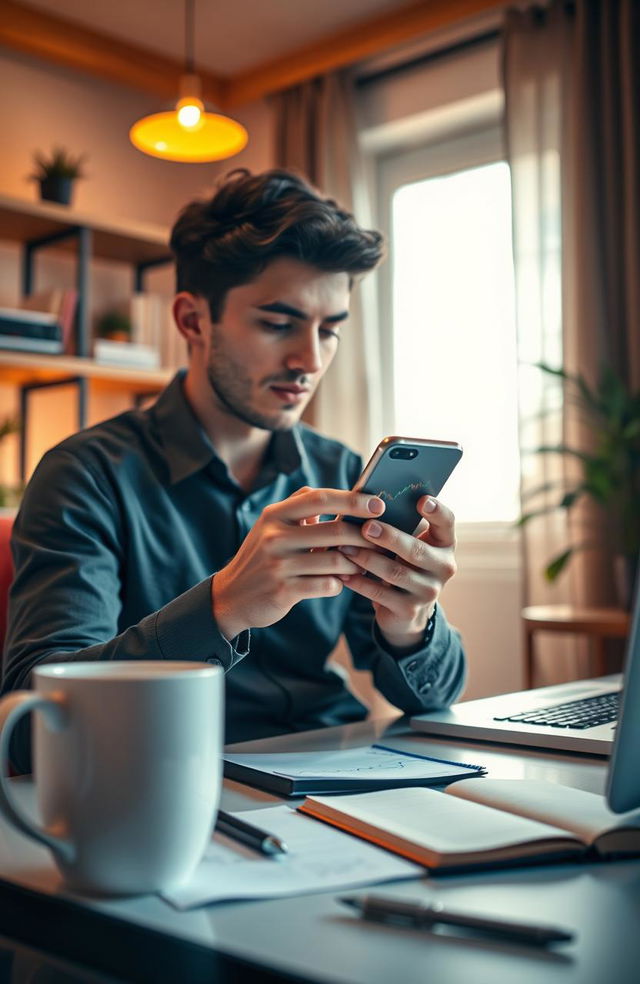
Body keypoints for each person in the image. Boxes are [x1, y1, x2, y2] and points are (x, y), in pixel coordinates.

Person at [2, 169, 465, 772]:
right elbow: (32, 727)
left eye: (330, 330)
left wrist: (411, 623)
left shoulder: (342, 471)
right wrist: (222, 607)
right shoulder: (85, 476)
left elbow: (431, 698)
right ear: (194, 321)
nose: (309, 360)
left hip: (338, 770)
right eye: (278, 323)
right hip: (167, 783)